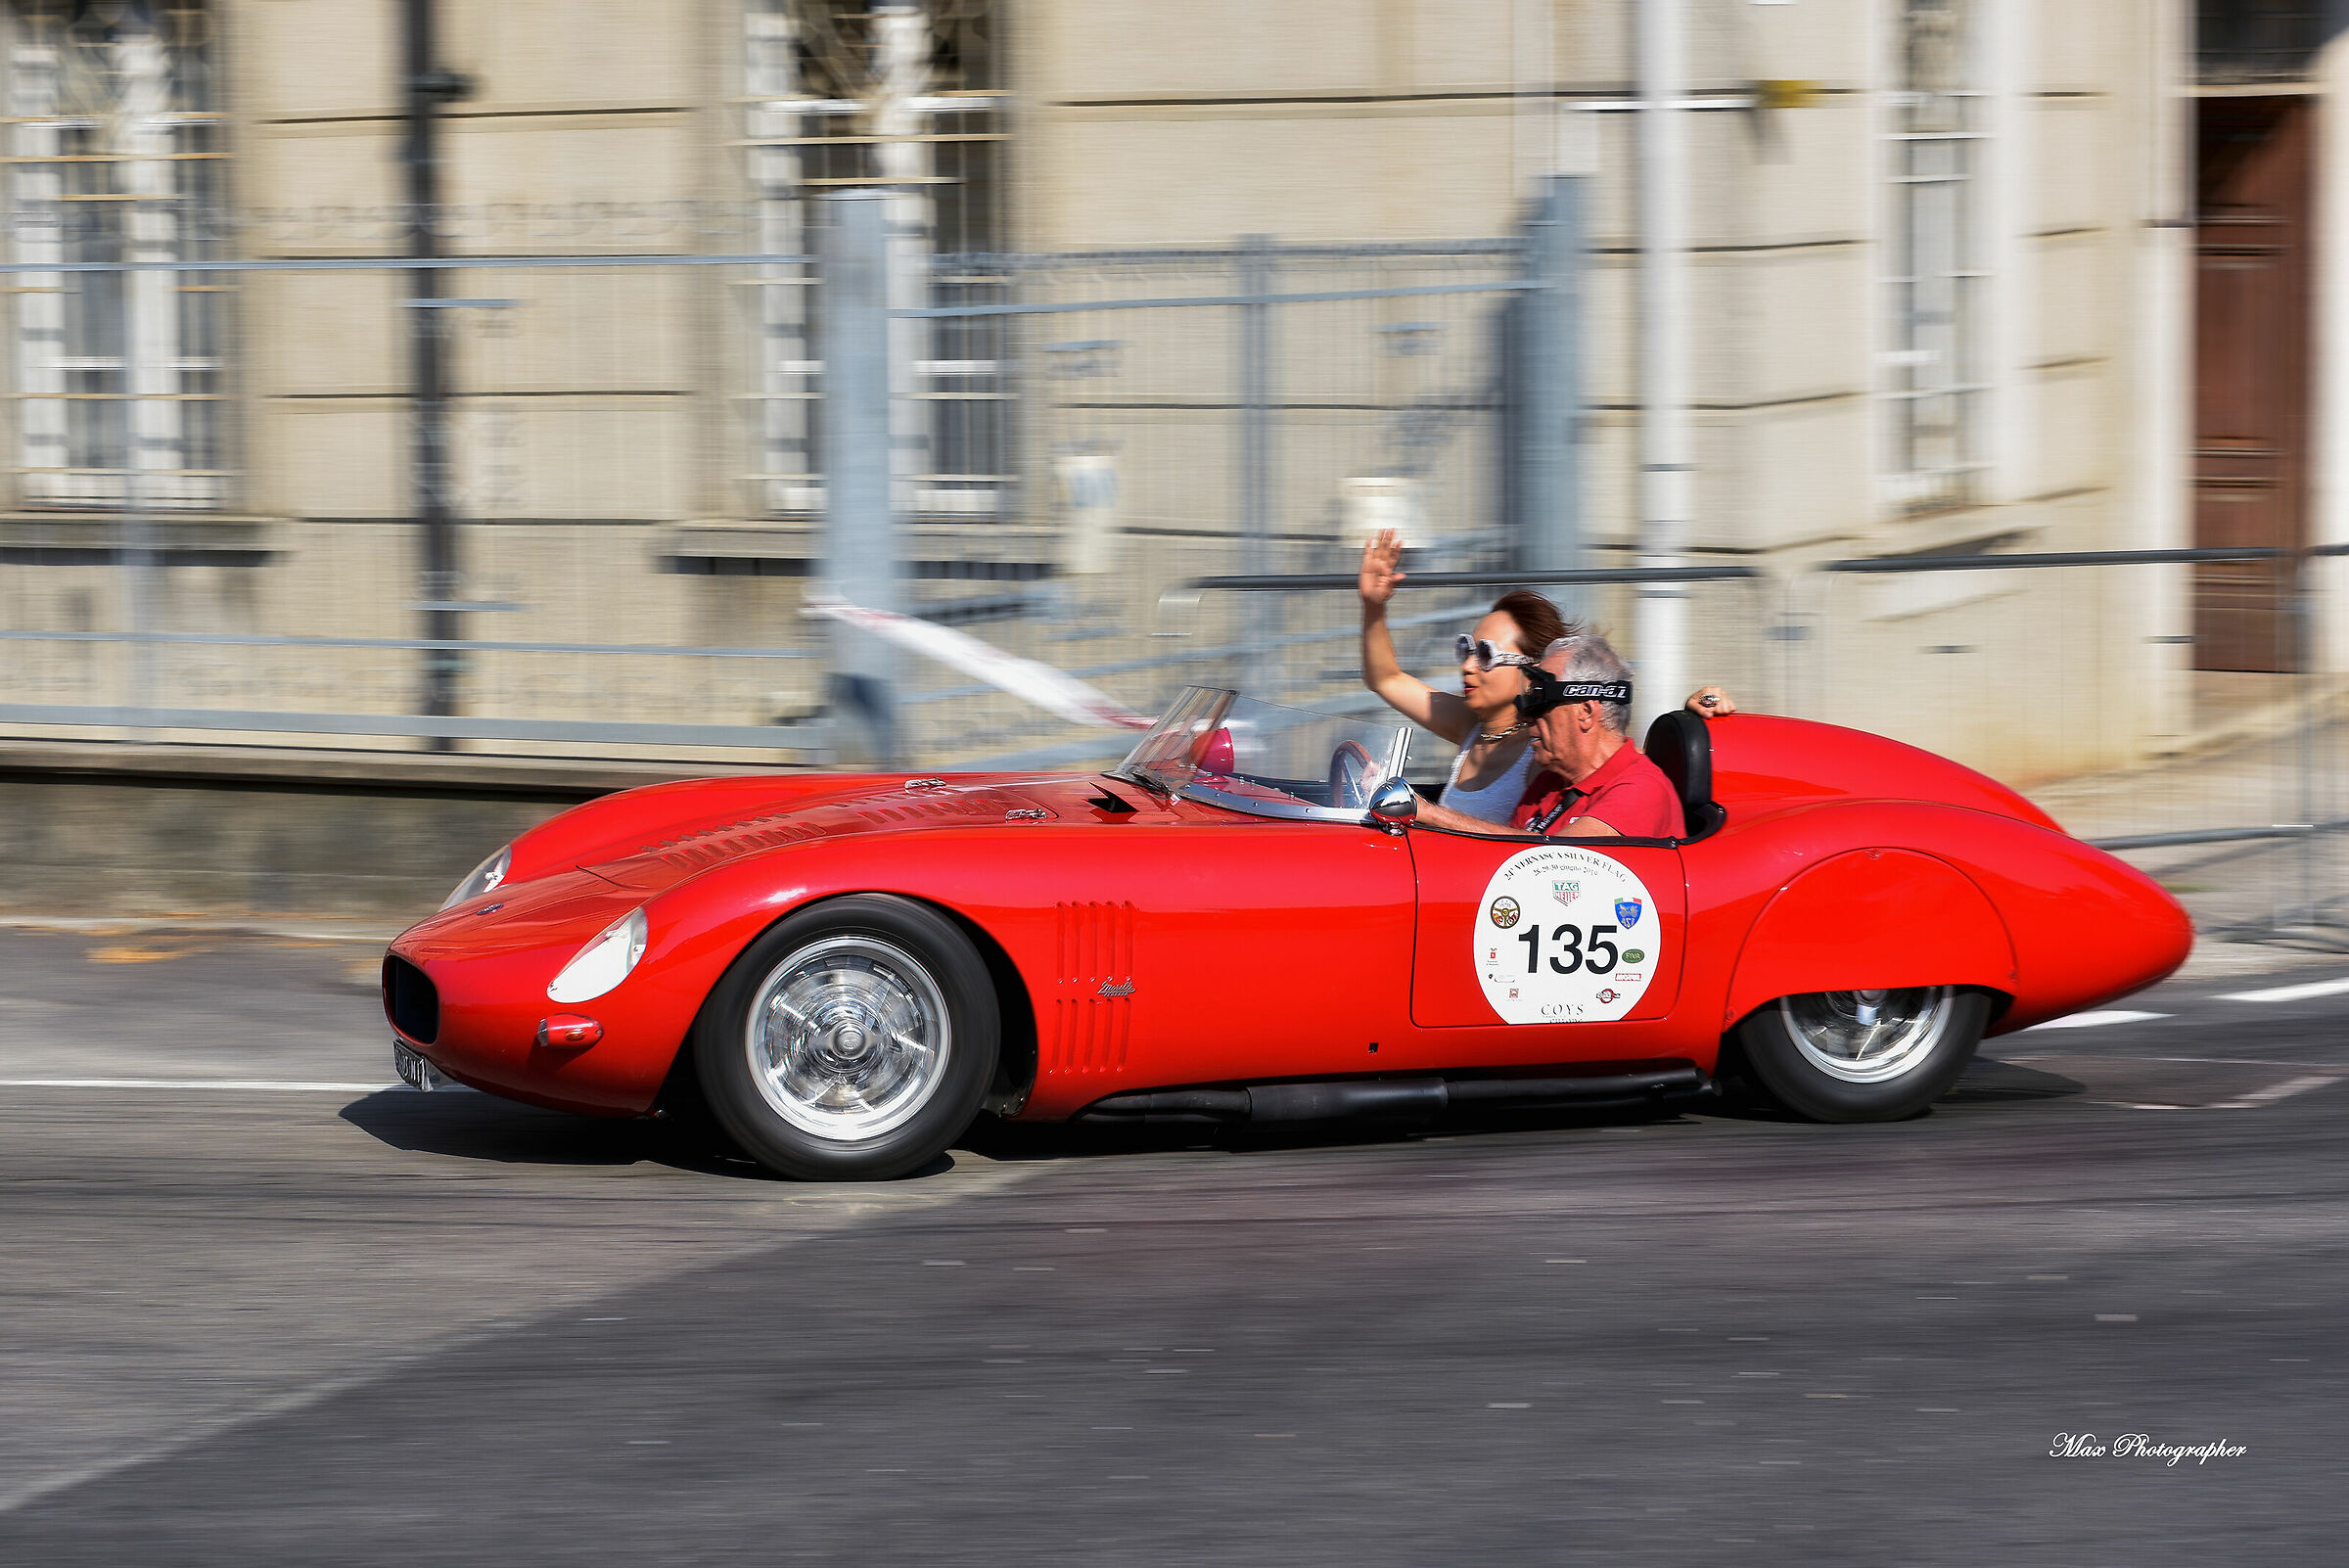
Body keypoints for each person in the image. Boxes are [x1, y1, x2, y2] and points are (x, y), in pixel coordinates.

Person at [1358, 529, 1736, 827]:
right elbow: (1386, 678)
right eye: (1466, 649)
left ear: (1531, 673)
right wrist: (1374, 606)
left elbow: (1616, 762)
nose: (1468, 666)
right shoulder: (1471, 725)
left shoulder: (1543, 747)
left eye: (1486, 654)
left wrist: (1688, 713)